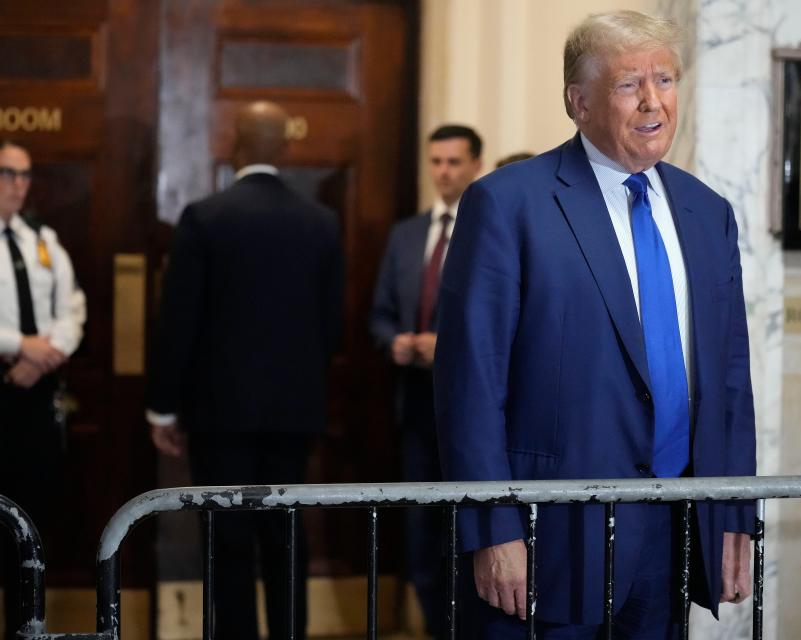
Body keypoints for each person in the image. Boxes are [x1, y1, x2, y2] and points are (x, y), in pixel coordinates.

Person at [434, 11, 756, 639]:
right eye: (628, 84)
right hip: (545, 539)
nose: (653, 100)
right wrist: (493, 527)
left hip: (672, 533)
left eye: (665, 79)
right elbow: (471, 382)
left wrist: (733, 513)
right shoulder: (507, 204)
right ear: (577, 102)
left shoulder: (706, 212)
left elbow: (731, 382)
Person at [146, 101, 344, 640]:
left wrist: (163, 406)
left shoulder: (205, 217)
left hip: (219, 413)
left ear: (234, 147)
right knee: (286, 534)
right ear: (285, 149)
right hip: (294, 411)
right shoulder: (321, 223)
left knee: (227, 537)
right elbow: (331, 327)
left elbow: (177, 321)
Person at [369, 124, 483, 638]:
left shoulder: (488, 227)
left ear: (475, 165)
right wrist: (392, 341)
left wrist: (447, 345)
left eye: (454, 162)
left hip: (469, 406)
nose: (443, 172)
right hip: (413, 404)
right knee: (419, 530)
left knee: (464, 531)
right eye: (436, 161)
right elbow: (381, 311)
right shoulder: (407, 233)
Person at [0, 140, 86, 640]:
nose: (19, 184)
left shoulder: (42, 239)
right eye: (8, 174)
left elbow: (73, 305)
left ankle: (25, 629)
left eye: (26, 175)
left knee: (29, 525)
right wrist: (19, 344)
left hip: (33, 397)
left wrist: (48, 352)